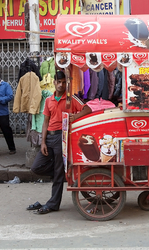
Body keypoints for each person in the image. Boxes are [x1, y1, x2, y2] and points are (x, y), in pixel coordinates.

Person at [27, 70, 92, 214]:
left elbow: (88, 109)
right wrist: (42, 142)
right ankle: (60, 173)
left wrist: (75, 117)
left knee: (57, 172)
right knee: (36, 168)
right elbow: (45, 122)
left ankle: (53, 203)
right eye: (59, 82)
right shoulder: (49, 100)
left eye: (64, 82)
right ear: (54, 83)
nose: (61, 85)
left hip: (61, 138)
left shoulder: (71, 99)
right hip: (49, 137)